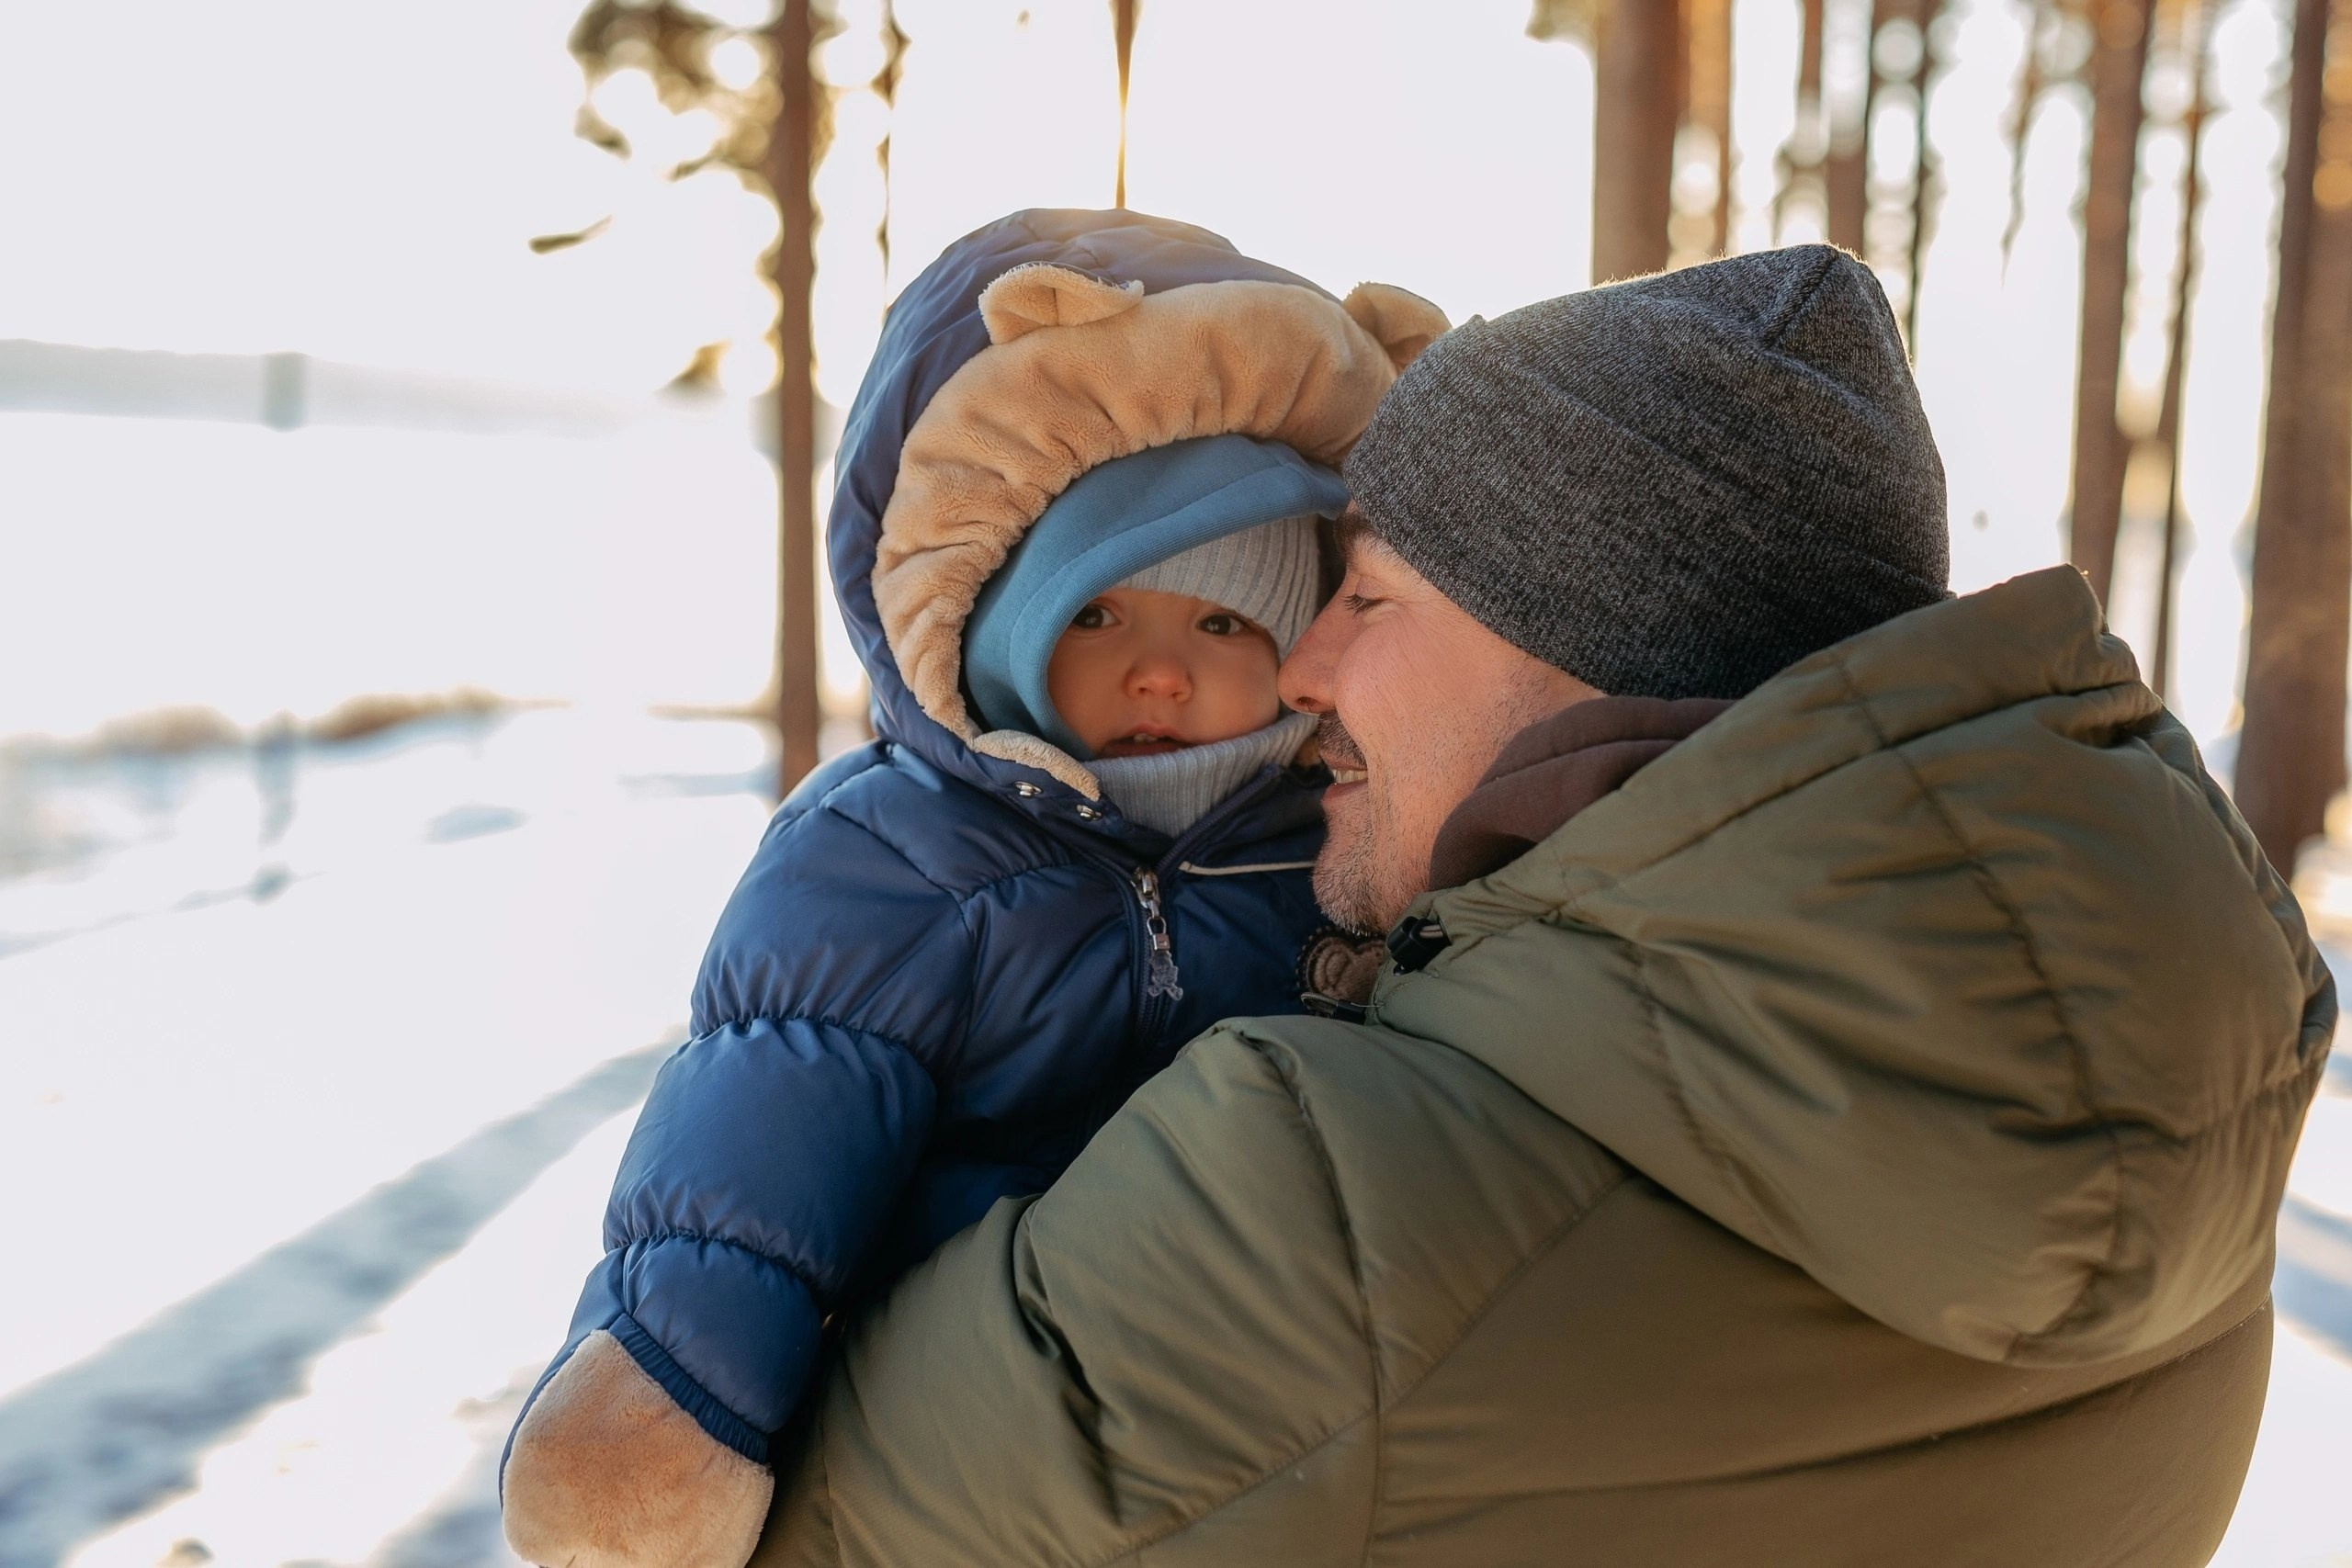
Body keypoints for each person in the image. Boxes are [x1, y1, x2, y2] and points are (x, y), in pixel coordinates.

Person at [752, 245, 2334, 1566]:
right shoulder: (2191, 1166)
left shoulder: (1326, 1211)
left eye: (1368, 595)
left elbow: (806, 1526)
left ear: (1590, 645)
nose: (1299, 673)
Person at [497, 209, 1449, 1568]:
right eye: (1100, 615)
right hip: (945, 1441)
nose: (1161, 673)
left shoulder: (1341, 843)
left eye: (1223, 622)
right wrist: (680, 1394)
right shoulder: (896, 854)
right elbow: (766, 1126)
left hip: (1254, 1437)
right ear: (1002, 614)